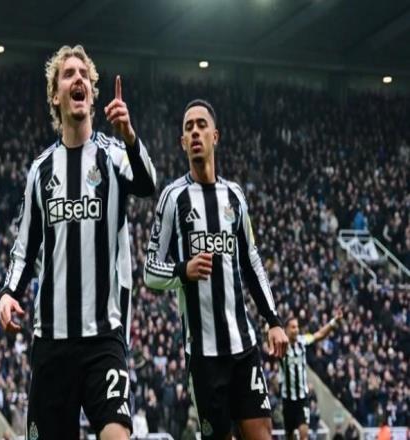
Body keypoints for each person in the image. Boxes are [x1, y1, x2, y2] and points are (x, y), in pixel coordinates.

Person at [0, 44, 156, 439]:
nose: (78, 79)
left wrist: (130, 135)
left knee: (117, 434)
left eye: (84, 74)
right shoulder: (41, 170)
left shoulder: (114, 155)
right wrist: (9, 292)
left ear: (92, 94)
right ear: (56, 95)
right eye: (69, 74)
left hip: (103, 336)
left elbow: (147, 184)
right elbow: (24, 248)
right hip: (51, 340)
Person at [144, 99, 288, 439]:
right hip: (204, 357)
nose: (195, 132)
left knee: (262, 434)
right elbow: (150, 272)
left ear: (215, 136)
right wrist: (183, 270)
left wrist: (273, 320)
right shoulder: (173, 198)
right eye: (188, 128)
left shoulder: (234, 196)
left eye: (201, 125)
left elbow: (252, 262)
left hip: (243, 346)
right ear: (182, 142)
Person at [280, 310, 343, 440]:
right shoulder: (281, 347)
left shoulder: (302, 341)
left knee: (304, 435)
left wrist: (333, 322)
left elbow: (319, 334)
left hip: (302, 399)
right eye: (293, 327)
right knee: (289, 436)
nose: (296, 330)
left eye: (297, 327)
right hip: (287, 400)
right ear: (286, 329)